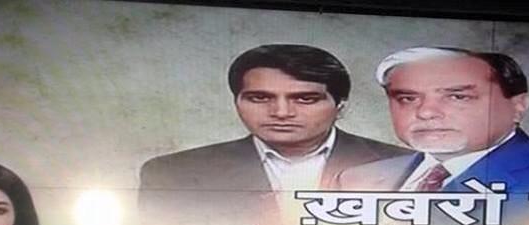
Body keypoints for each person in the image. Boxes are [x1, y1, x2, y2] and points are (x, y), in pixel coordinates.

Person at [138, 44, 409, 200]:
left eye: (304, 99)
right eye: (259, 98)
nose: (281, 112)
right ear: (237, 101)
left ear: (340, 106)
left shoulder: (411, 167)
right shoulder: (174, 173)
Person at [333, 47, 529, 194]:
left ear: (518, 106)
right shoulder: (358, 178)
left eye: (457, 97)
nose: (426, 112)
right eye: (407, 98)